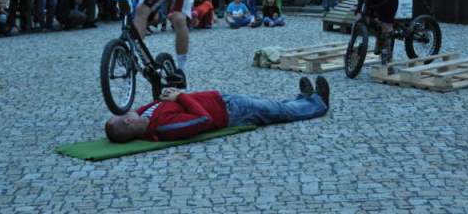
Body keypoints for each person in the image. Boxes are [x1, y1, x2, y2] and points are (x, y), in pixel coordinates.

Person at [104, 76, 330, 143]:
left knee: (273, 106)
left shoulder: (144, 114)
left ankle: (304, 99)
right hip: (231, 112)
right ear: (128, 122)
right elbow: (204, 119)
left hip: (223, 99)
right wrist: (180, 96)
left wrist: (168, 94)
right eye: (123, 114)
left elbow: (157, 103)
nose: (127, 110)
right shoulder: (163, 128)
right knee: (278, 111)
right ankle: (318, 104)